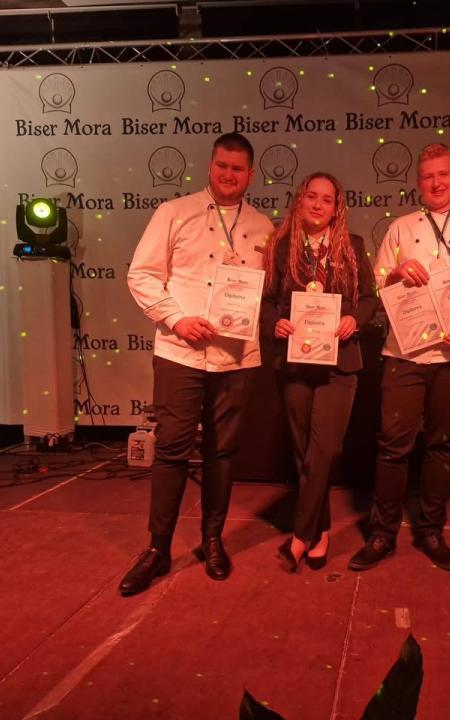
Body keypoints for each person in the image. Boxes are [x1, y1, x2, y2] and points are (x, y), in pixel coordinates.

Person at [122, 133, 274, 595]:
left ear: (251, 174)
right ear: (210, 167)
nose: (228, 174)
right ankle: (158, 549)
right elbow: (141, 274)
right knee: (171, 449)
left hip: (236, 356)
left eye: (237, 168)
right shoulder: (173, 212)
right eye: (221, 166)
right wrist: (177, 318)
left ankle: (212, 540)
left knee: (222, 452)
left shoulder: (264, 227)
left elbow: (267, 290)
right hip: (180, 352)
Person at [348, 143, 450, 573]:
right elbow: (377, 288)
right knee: (392, 443)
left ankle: (431, 530)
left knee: (443, 442)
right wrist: (396, 273)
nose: (436, 183)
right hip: (405, 352)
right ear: (418, 182)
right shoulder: (401, 229)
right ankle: (382, 534)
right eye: (427, 176)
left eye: (442, 174)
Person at [261, 172, 378, 572]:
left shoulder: (351, 246)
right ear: (300, 200)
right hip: (295, 359)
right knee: (304, 454)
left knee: (324, 449)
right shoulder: (281, 247)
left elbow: (369, 299)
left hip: (340, 362)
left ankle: (299, 535)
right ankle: (321, 530)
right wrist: (274, 323)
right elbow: (267, 301)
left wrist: (354, 319)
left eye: (326, 199)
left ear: (336, 208)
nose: (317, 204)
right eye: (311, 196)